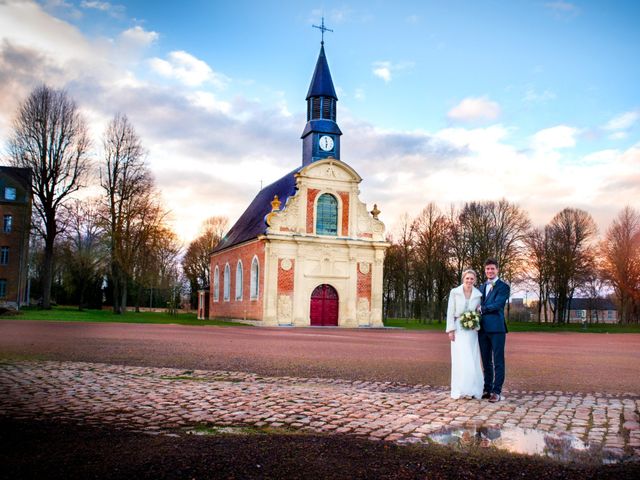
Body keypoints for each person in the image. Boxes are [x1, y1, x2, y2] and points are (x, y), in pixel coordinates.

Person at [445, 269, 484, 399]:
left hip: (472, 330)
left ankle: (472, 389)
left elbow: (478, 313)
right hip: (458, 329)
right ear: (463, 279)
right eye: (467, 278)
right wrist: (450, 330)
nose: (469, 281)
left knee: (472, 358)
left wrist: (476, 323)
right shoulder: (454, 292)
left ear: (475, 280)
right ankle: (460, 389)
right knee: (460, 359)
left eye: (472, 279)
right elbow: (450, 311)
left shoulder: (478, 295)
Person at [478, 258, 510, 403]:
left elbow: (498, 304)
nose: (490, 271)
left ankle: (496, 391)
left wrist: (482, 309)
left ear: (497, 270)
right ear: (485, 271)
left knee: (498, 360)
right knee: (486, 361)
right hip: (482, 329)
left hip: (497, 329)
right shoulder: (481, 286)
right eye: (487, 269)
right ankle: (487, 388)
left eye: (492, 269)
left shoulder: (503, 287)